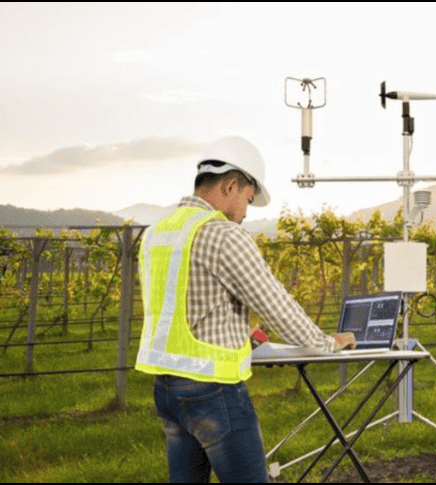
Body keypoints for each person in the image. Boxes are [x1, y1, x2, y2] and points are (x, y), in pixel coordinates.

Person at [134, 136, 356, 483]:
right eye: (247, 199)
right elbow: (277, 305)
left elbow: (186, 309)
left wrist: (248, 334)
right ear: (231, 185)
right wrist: (328, 342)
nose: (246, 212)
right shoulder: (223, 235)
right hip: (214, 391)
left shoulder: (156, 234)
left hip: (167, 389)